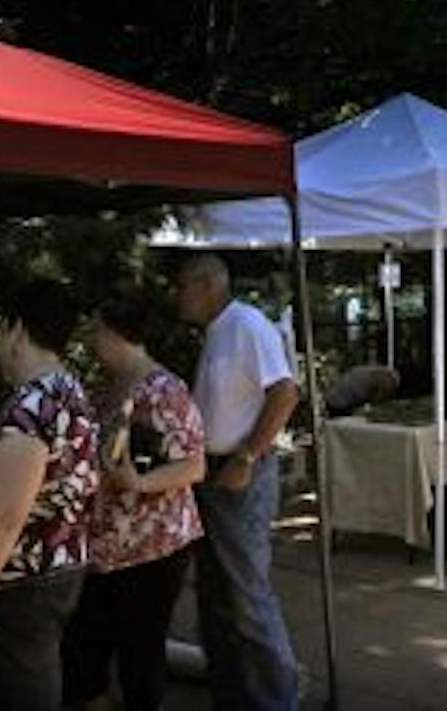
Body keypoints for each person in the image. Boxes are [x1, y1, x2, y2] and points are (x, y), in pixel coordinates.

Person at [0, 278, 100, 711]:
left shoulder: (31, 408)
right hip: (56, 567)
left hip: (16, 584)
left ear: (17, 330)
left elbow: (6, 515)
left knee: (6, 689)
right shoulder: (69, 391)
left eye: (0, 331)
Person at [64, 297, 207, 711]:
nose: (92, 341)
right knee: (85, 653)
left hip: (153, 550)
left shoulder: (166, 391)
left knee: (139, 657)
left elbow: (195, 465)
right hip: (106, 548)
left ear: (113, 332)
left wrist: (140, 482)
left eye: (96, 331)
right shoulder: (108, 387)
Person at [174, 253, 301, 710]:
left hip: (238, 474)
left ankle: (276, 702)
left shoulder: (245, 324)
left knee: (246, 597)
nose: (177, 295)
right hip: (217, 472)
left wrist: (247, 455)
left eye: (182, 285)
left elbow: (286, 392)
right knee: (218, 597)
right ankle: (236, 695)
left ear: (206, 284)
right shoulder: (222, 330)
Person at [321, 363, 402, 418]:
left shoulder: (373, 373)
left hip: (338, 399)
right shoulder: (368, 380)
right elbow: (371, 400)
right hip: (339, 404)